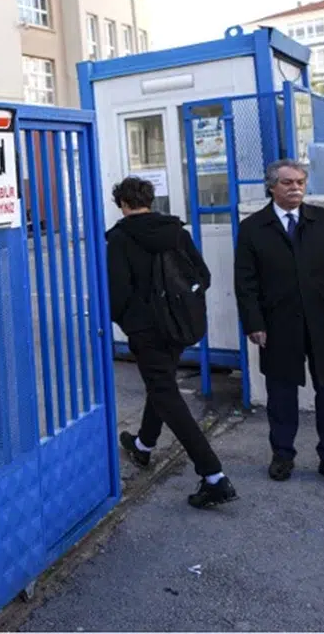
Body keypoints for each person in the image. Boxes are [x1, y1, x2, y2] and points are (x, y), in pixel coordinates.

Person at [234, 159, 324, 494]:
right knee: (281, 393)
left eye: (300, 182)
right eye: (288, 182)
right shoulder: (253, 228)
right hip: (278, 323)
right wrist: (254, 323)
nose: (295, 188)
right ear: (271, 187)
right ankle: (282, 454)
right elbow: (245, 283)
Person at [106, 176, 238, 509]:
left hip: (146, 331)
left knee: (165, 393)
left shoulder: (120, 239)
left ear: (123, 204)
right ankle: (143, 445)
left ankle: (213, 476)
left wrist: (132, 322)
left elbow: (117, 294)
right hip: (178, 325)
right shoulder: (176, 232)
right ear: (150, 200)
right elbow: (203, 276)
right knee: (162, 383)